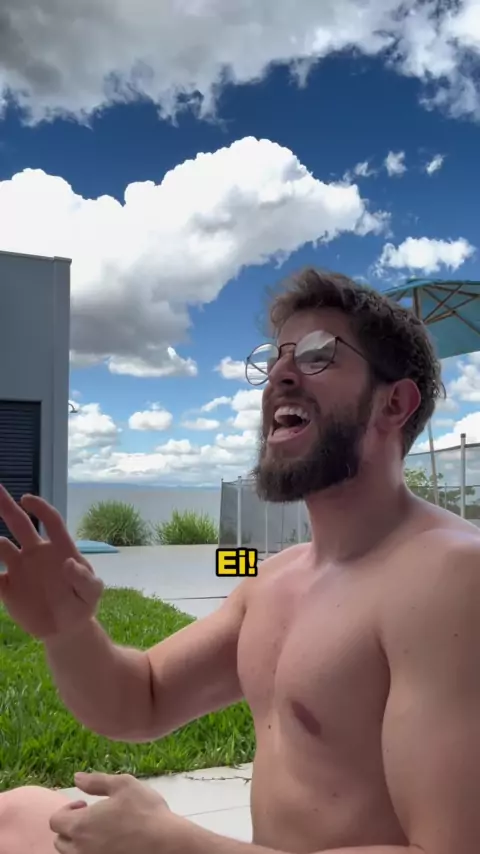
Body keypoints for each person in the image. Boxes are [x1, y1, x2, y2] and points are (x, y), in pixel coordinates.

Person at [0, 267, 479, 854]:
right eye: (276, 358)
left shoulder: (451, 578)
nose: (279, 374)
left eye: (318, 354)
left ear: (394, 403)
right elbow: (140, 699)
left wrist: (177, 846)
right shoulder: (276, 580)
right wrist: (69, 631)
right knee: (15, 811)